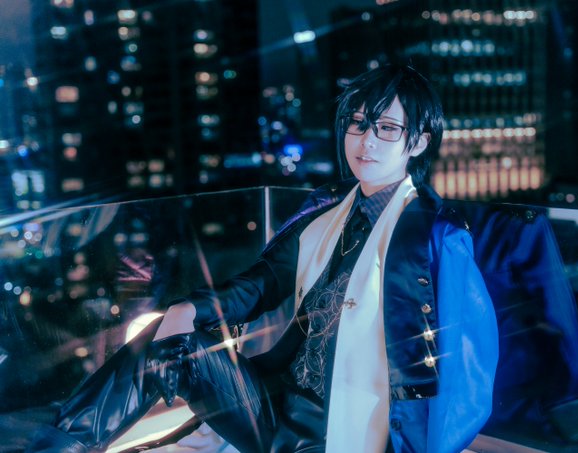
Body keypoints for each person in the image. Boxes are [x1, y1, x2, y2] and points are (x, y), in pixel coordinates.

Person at [27, 65, 499, 453]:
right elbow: (263, 282)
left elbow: (468, 366)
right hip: (274, 410)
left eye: (387, 129)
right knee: (168, 337)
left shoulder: (435, 235)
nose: (366, 141)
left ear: (418, 142)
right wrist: (189, 309)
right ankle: (59, 448)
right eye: (357, 124)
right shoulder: (328, 210)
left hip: (347, 432)